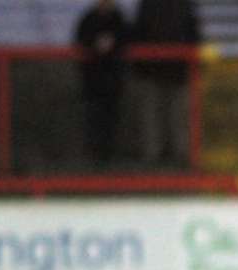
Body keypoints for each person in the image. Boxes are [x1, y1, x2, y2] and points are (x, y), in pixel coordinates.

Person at [131, 0, 201, 166]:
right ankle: (152, 156)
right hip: (151, 70)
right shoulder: (147, 5)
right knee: (151, 115)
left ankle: (181, 156)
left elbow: (193, 34)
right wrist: (141, 65)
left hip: (179, 70)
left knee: (179, 116)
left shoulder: (185, 5)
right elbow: (138, 33)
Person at [74, 0, 129, 165]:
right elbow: (80, 40)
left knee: (112, 120)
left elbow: (127, 39)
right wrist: (95, 45)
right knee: (93, 119)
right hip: (93, 81)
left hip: (113, 81)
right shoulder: (88, 18)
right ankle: (93, 157)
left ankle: (110, 157)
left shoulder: (119, 18)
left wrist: (112, 44)